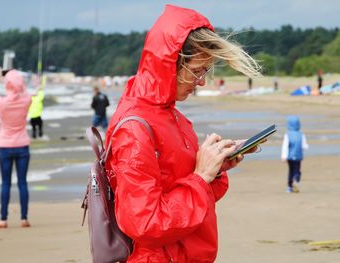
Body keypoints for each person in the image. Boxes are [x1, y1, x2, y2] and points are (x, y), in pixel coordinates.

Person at [104, 5, 260, 262]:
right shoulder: (135, 129)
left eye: (205, 71)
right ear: (169, 64)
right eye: (197, 71)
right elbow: (145, 223)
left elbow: (188, 197)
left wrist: (214, 168)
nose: (201, 82)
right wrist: (201, 177)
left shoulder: (168, 114)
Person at [0, 68, 32, 228]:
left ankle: (3, 219)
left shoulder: (1, 102)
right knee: (23, 182)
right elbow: (26, 93)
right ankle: (24, 218)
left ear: (7, 85)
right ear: (20, 84)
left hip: (5, 146)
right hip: (22, 146)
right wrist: (19, 82)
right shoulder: (26, 100)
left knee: (5, 183)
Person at [281, 116, 309, 193]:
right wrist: (305, 147)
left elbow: (285, 146)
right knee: (297, 170)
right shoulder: (301, 135)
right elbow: (304, 146)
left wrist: (284, 156)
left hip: (290, 156)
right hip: (298, 156)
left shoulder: (287, 135)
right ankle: (296, 178)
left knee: (291, 170)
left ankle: (289, 187)